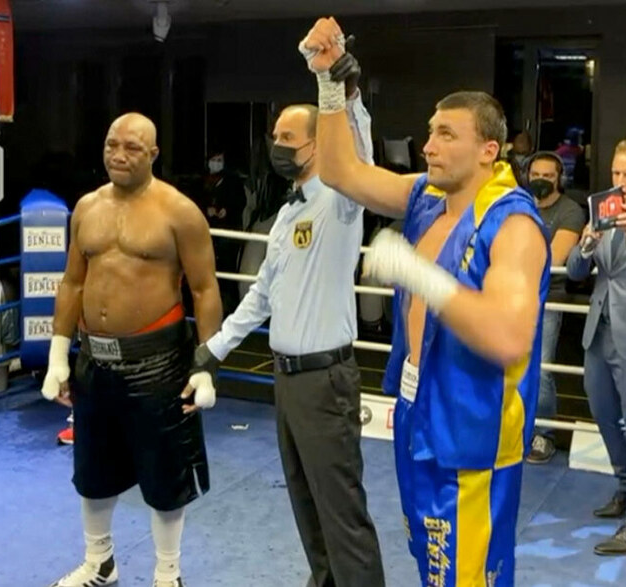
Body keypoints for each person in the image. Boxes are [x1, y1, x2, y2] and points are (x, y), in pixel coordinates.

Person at [300, 17, 551, 586]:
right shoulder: (427, 197)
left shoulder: (513, 225)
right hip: (419, 410)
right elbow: (340, 171)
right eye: (430, 132)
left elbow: (508, 336)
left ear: (489, 150)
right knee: (433, 567)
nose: (429, 145)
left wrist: (419, 274)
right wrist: (329, 84)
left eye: (446, 135)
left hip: (474, 433)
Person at [200, 54, 386, 587]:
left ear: (316, 144)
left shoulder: (339, 201)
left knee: (341, 511)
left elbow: (361, 158)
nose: (277, 146)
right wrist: (215, 348)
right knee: (306, 503)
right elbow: (263, 293)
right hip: (287, 379)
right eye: (275, 136)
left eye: (288, 137)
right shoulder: (288, 212)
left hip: (325, 380)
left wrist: (346, 95)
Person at [40, 112, 223, 587]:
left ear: (153, 154)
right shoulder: (87, 207)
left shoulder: (179, 212)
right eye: (112, 144)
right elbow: (72, 282)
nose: (119, 155)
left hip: (159, 361)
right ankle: (99, 563)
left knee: (165, 475)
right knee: (92, 470)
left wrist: (206, 365)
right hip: (94, 359)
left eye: (132, 148)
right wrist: (59, 355)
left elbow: (204, 289)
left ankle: (168, 576)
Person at [566, 138, 626, 555]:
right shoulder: (604, 210)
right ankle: (625, 486)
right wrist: (586, 242)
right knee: (602, 412)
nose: (620, 181)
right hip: (599, 331)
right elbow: (574, 271)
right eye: (616, 172)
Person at [524, 151, 586, 463]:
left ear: (559, 178)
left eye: (548, 176)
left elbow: (554, 259)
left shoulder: (570, 211)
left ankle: (543, 435)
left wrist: (511, 261)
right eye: (536, 174)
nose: (541, 180)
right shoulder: (518, 204)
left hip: (546, 297)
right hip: (508, 296)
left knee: (542, 368)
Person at [202, 149, 248, 314]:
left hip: (228, 232)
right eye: (213, 159)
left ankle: (229, 307)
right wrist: (206, 210)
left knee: (227, 271)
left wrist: (227, 210)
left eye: (219, 160)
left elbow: (240, 201)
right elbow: (194, 201)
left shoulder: (233, 182)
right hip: (206, 232)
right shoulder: (202, 181)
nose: (216, 163)